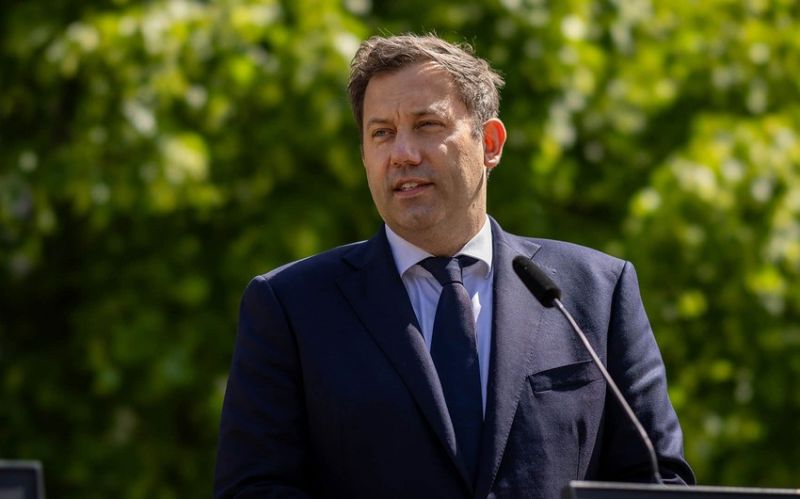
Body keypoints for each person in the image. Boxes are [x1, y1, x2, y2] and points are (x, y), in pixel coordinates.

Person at [214, 33, 694, 499]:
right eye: (381, 133)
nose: (402, 154)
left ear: (490, 143)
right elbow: (253, 489)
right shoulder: (291, 307)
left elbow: (658, 481)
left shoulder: (595, 292)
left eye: (427, 125)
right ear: (364, 155)